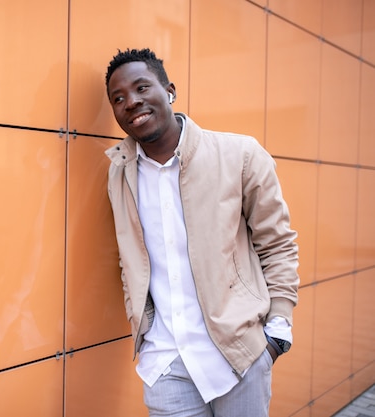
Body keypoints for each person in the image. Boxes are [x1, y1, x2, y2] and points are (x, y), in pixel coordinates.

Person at [103, 48, 299, 417]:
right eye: (118, 98)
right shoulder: (120, 173)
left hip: (238, 354)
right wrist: (142, 329)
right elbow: (128, 258)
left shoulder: (239, 155)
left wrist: (277, 331)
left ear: (169, 90)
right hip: (165, 362)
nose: (131, 102)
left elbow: (277, 244)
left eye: (142, 87)